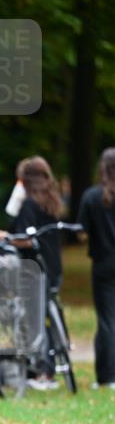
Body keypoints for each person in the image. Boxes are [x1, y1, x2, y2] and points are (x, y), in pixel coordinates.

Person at [0, 156, 64, 390]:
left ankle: (43, 371)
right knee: (47, 315)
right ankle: (51, 367)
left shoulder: (29, 205)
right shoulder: (52, 201)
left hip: (33, 268)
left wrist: (6, 238)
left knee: (34, 319)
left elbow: (25, 239)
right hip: (53, 265)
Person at [78, 147, 115, 389]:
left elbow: (80, 233)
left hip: (103, 263)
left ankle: (107, 376)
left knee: (106, 320)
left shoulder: (92, 197)